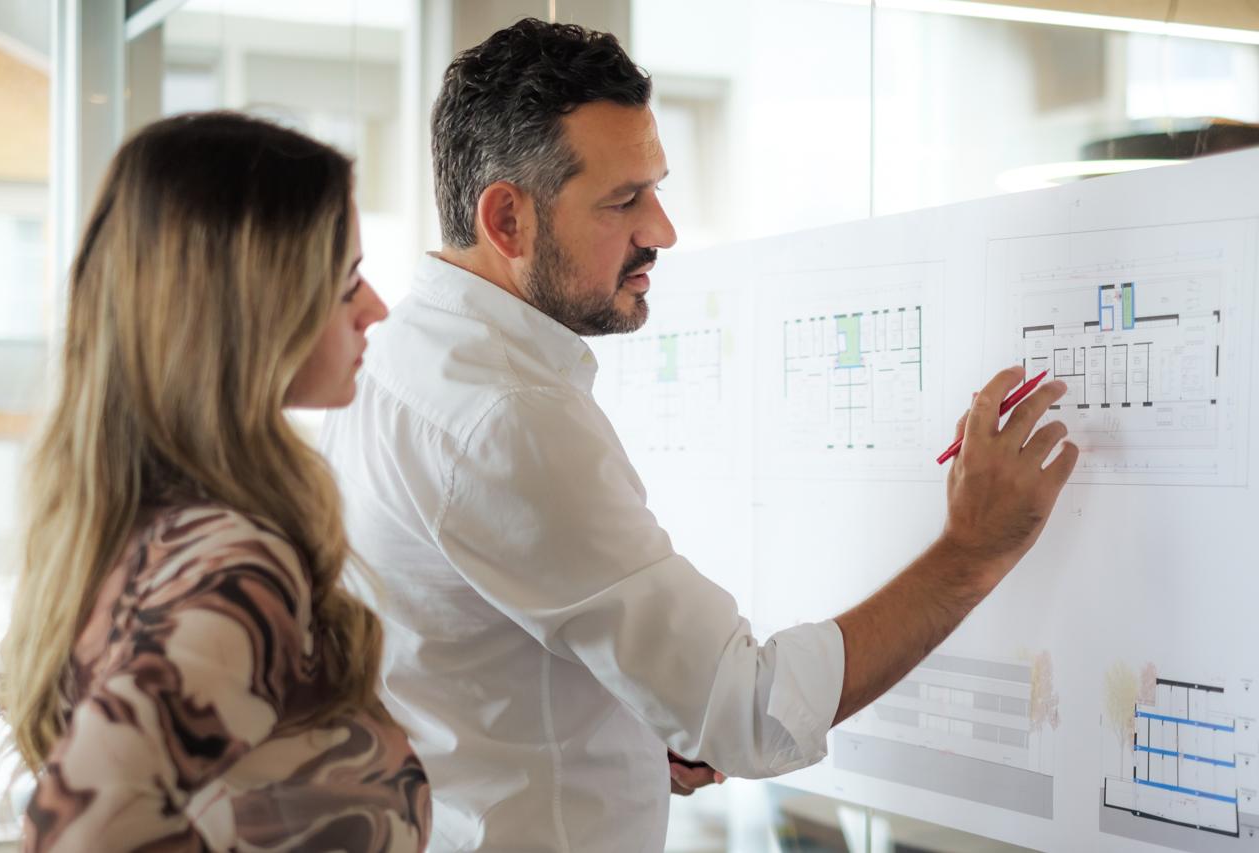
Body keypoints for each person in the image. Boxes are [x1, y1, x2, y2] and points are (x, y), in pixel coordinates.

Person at [319, 18, 1078, 852]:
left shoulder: (393, 362)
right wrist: (971, 551)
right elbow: (748, 712)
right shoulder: (509, 417)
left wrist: (632, 715)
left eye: (657, 187)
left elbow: (471, 648)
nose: (664, 231)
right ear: (507, 219)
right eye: (624, 200)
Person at [0, 112, 430, 851]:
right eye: (347, 280)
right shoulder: (236, 562)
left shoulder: (119, 525)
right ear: (255, 308)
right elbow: (79, 832)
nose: (375, 309)